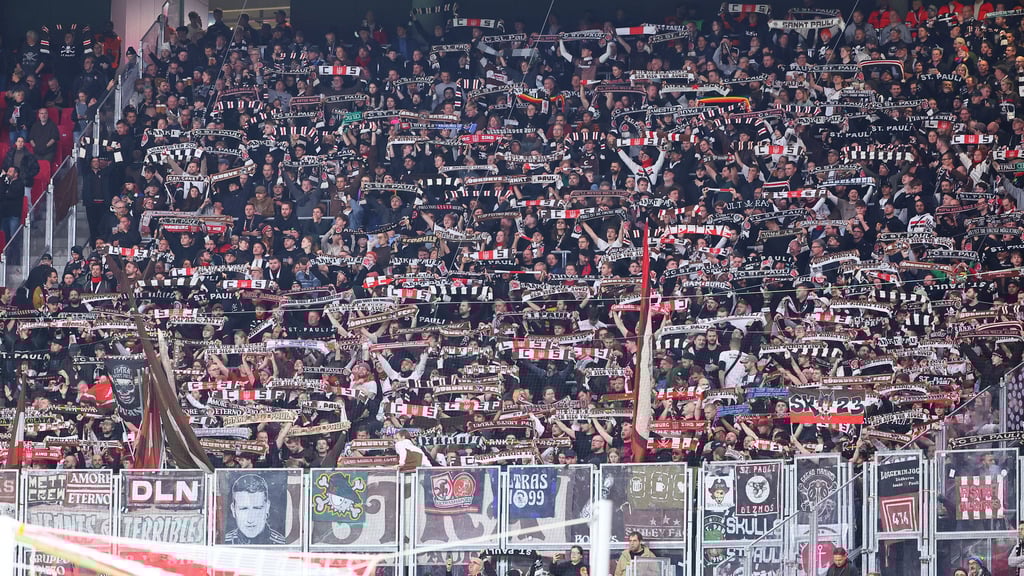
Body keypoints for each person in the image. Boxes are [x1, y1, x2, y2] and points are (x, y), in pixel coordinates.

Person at [223, 473, 287, 545]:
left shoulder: (284, 544)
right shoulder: (223, 543)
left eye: (257, 508)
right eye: (243, 509)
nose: (250, 520)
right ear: (233, 510)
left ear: (267, 508)